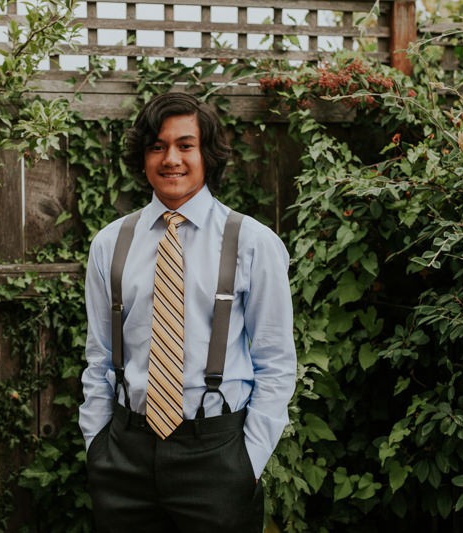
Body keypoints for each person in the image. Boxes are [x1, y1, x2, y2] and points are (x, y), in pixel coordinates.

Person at [79, 91, 297, 532]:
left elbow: (276, 364)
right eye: (157, 146)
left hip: (217, 455)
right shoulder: (110, 243)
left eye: (185, 145)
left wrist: (248, 461)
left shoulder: (253, 243)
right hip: (125, 455)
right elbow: (99, 356)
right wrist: (97, 447)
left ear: (207, 154)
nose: (170, 159)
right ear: (143, 158)